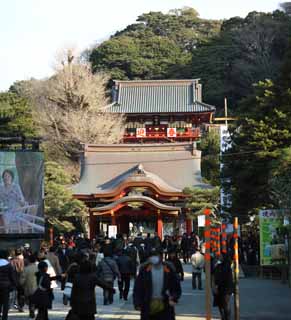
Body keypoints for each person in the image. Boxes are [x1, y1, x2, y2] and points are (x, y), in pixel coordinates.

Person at [133, 248, 181, 320]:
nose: (154, 258)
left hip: (165, 306)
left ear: (161, 257)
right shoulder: (144, 270)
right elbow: (138, 288)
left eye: (156, 255)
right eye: (152, 256)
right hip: (148, 305)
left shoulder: (168, 269)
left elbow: (176, 286)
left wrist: (174, 298)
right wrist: (137, 303)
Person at [212, 255, 234, 320]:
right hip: (225, 288)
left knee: (223, 304)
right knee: (223, 304)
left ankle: (226, 317)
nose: (219, 257)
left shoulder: (224, 266)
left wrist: (215, 285)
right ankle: (225, 317)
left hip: (224, 288)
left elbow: (219, 276)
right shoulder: (222, 265)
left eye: (221, 256)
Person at [19, 254, 38, 318]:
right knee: (35, 300)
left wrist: (21, 284)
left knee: (30, 300)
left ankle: (31, 310)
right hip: (37, 288)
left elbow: (22, 280)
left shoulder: (26, 269)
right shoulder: (38, 268)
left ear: (29, 260)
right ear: (35, 260)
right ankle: (33, 309)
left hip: (28, 288)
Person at [0, 249, 17, 320]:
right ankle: (4, 317)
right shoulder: (8, 265)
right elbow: (12, 276)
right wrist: (14, 285)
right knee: (5, 302)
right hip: (6, 286)